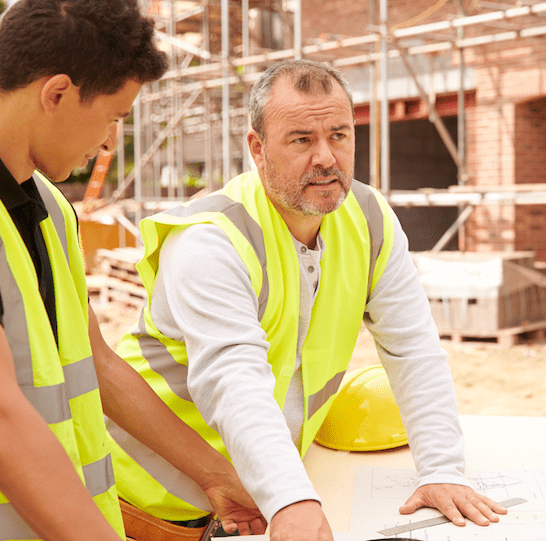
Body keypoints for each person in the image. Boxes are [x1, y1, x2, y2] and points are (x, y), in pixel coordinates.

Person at [109, 58, 507, 541]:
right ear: (257, 149)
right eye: (301, 140)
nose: (326, 157)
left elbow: (415, 351)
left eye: (339, 135)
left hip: (252, 507)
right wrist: (291, 499)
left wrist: (442, 468)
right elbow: (235, 381)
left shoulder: (370, 220)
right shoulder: (209, 241)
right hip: (142, 508)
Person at [0, 0, 266, 539]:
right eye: (112, 116)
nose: (110, 141)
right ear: (57, 93)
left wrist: (215, 474)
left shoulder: (52, 211)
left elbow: (98, 363)